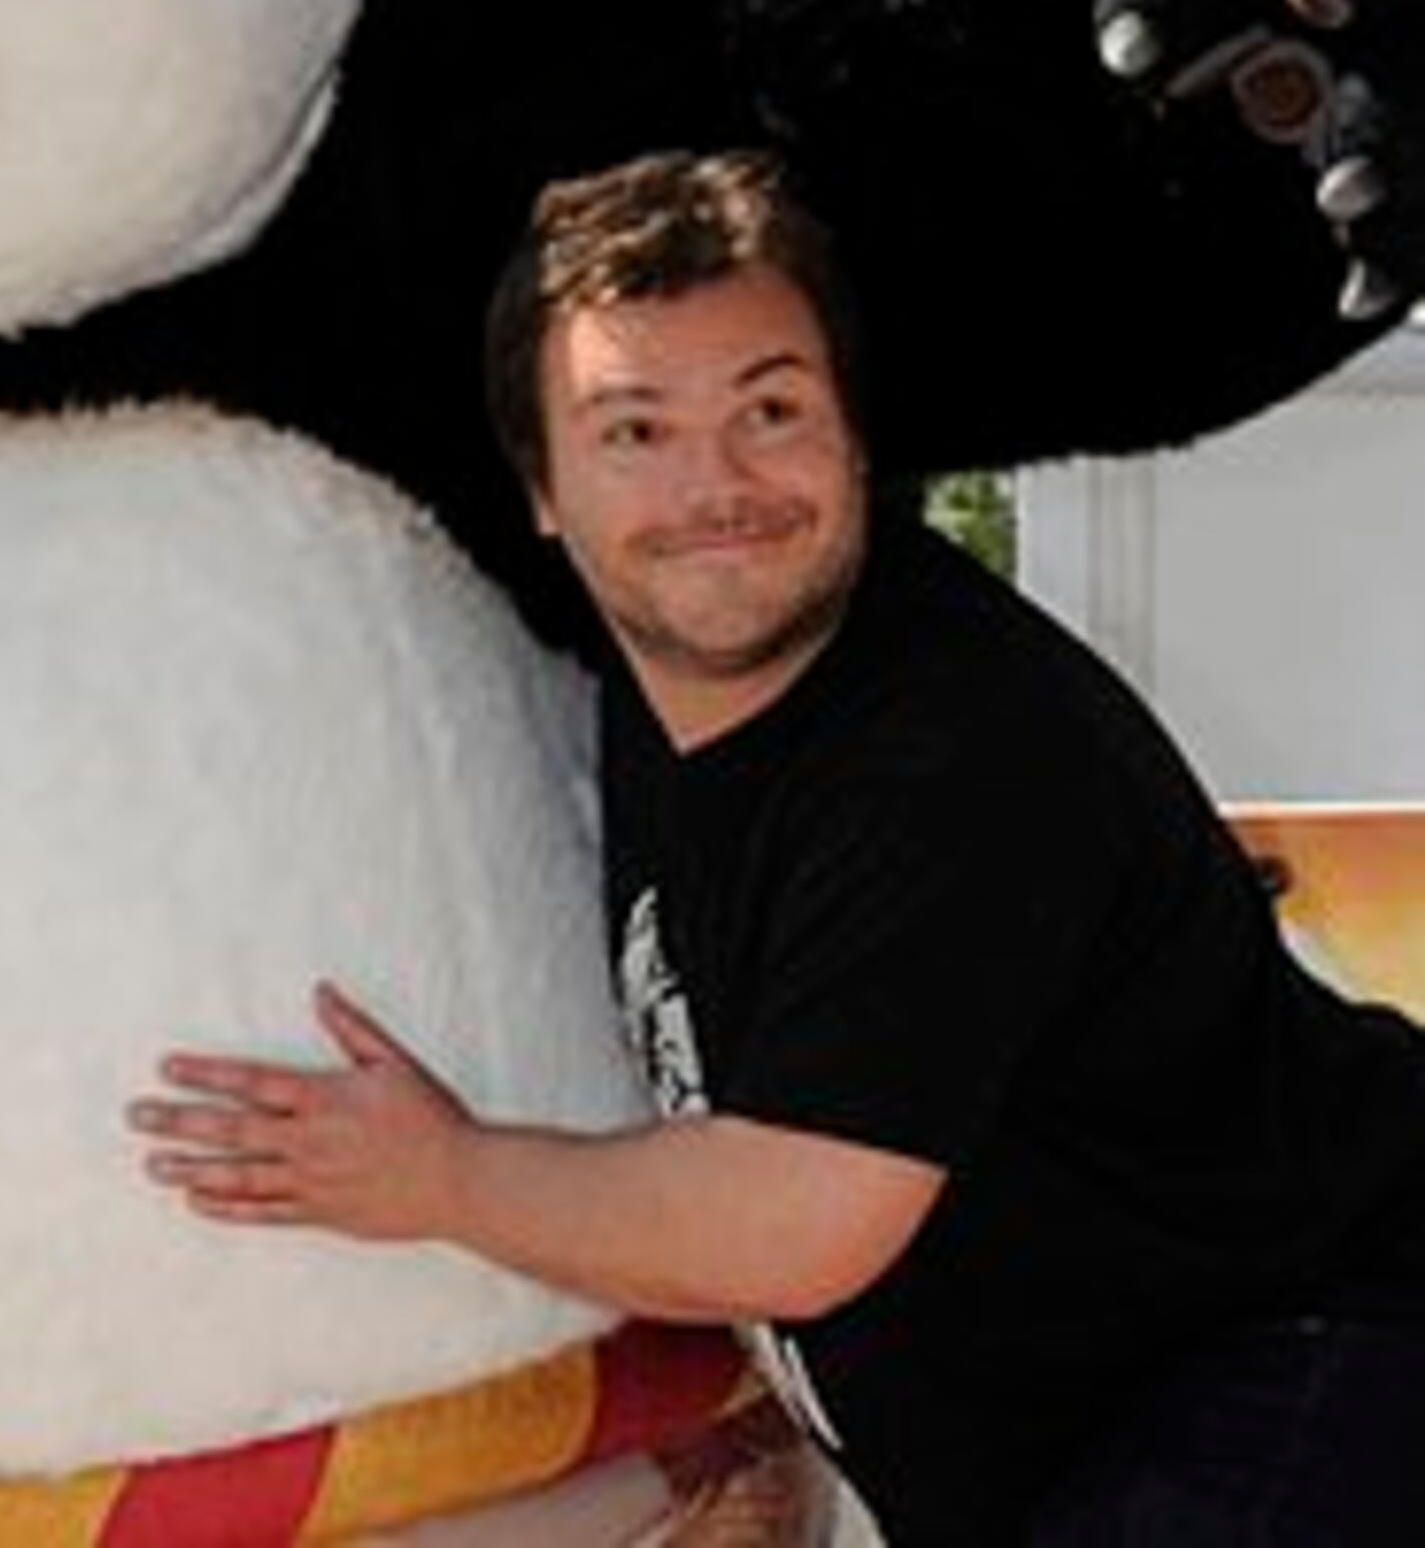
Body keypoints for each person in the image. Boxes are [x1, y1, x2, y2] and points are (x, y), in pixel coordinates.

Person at [124, 146, 1425, 1541]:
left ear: (856, 441)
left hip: (1328, 1353)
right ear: (544, 490)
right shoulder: (660, 668)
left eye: (771, 410)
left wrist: (438, 1175)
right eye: (635, 430)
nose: (717, 485)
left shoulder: (947, 755)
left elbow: (794, 1218)